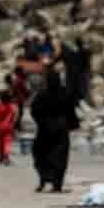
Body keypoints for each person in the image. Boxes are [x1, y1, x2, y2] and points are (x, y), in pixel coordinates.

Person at [31, 56, 77, 193]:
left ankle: (43, 180)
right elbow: (70, 110)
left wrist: (41, 122)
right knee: (60, 157)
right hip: (61, 129)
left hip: (45, 129)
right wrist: (71, 124)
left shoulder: (42, 95)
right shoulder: (64, 93)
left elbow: (34, 110)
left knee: (41, 154)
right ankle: (57, 184)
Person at [0, 89, 18, 165]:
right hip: (8, 127)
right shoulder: (12, 106)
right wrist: (13, 124)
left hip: (0, 127)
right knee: (7, 142)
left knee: (0, 142)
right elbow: (15, 115)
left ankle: (0, 157)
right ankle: (6, 157)